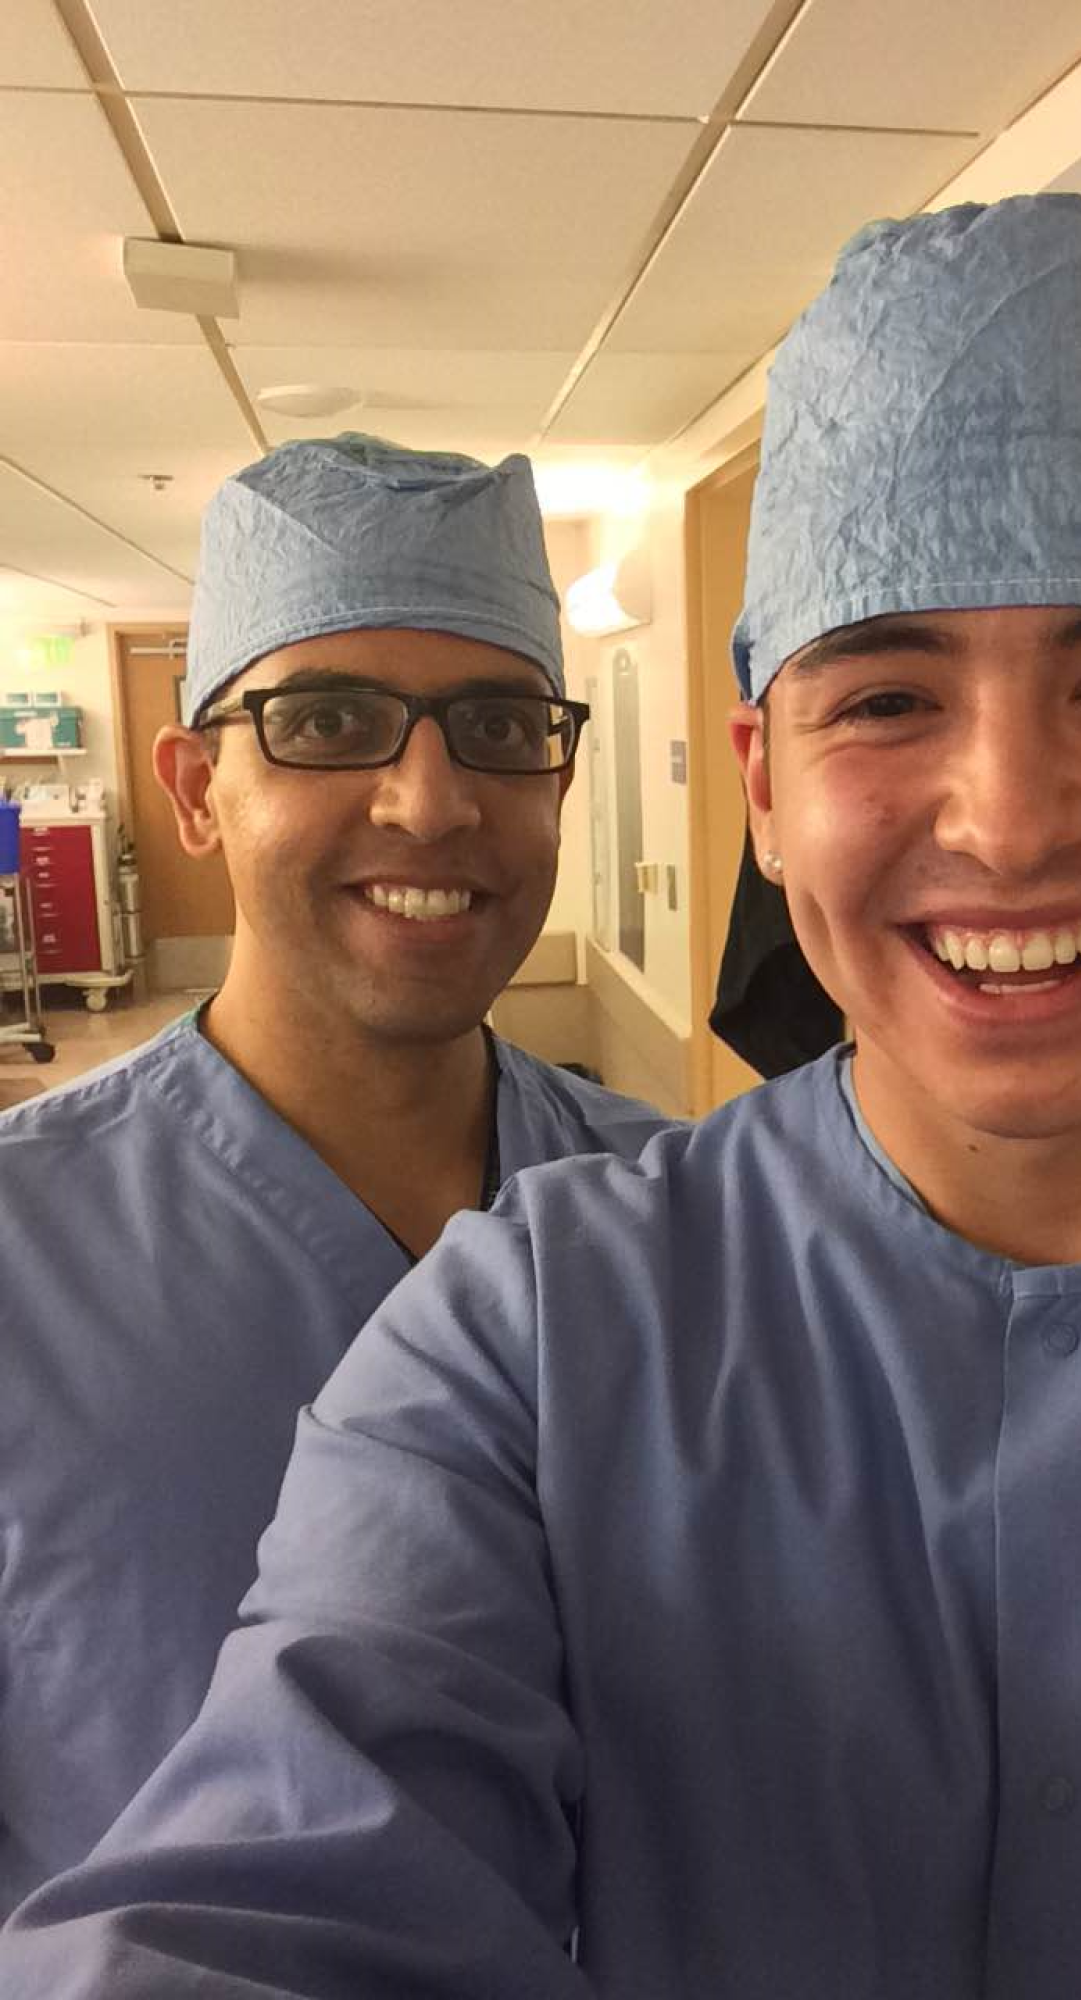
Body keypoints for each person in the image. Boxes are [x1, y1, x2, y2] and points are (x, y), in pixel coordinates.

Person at [5, 198, 1081, 1997]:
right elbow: (284, 1881)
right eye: (884, 697)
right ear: (764, 788)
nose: (1008, 819)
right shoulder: (542, 1330)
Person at [0, 435, 671, 1917]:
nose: (429, 802)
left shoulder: (681, 1225)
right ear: (195, 788)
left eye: (499, 727)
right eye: (331, 721)